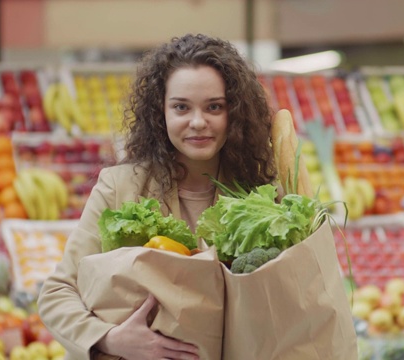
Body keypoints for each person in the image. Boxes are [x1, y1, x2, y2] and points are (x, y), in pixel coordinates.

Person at [37, 33, 277, 360]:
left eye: (214, 107)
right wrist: (109, 339)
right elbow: (57, 292)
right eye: (181, 107)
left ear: (234, 112)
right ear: (159, 112)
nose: (197, 122)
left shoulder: (264, 196)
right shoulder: (119, 187)